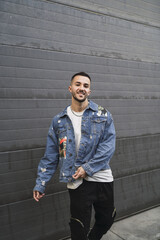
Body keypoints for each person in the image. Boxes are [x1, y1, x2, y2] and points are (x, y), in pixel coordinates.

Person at [33, 72, 116, 240]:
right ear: (70, 88)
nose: (82, 88)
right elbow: (51, 156)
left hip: (101, 177)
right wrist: (41, 183)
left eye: (86, 86)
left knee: (107, 218)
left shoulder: (103, 114)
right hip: (76, 181)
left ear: (89, 91)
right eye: (78, 84)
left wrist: (87, 168)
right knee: (79, 228)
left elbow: (108, 147)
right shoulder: (59, 121)